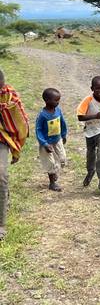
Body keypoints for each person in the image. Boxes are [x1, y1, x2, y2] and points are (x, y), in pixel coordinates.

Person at [0, 69, 29, 240]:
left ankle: (1, 222)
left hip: (1, 138)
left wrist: (16, 146)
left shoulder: (8, 95)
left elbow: (20, 121)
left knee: (1, 176)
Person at [35, 88, 68, 192]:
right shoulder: (42, 115)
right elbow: (38, 130)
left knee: (62, 159)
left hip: (57, 140)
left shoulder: (58, 111)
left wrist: (64, 134)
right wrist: (44, 144)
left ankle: (55, 173)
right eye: (56, 100)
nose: (58, 102)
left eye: (59, 100)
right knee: (50, 163)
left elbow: (62, 122)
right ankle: (52, 183)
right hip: (46, 142)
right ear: (47, 100)